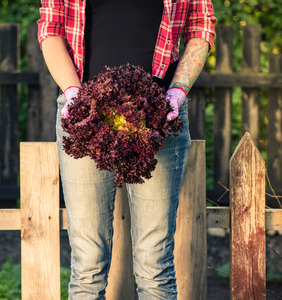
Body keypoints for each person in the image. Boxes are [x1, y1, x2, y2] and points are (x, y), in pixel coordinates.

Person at [37, 0, 216, 299]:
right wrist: (73, 95)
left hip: (159, 115)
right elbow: (50, 29)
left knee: (154, 265)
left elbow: (201, 26)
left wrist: (177, 90)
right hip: (86, 114)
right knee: (87, 267)